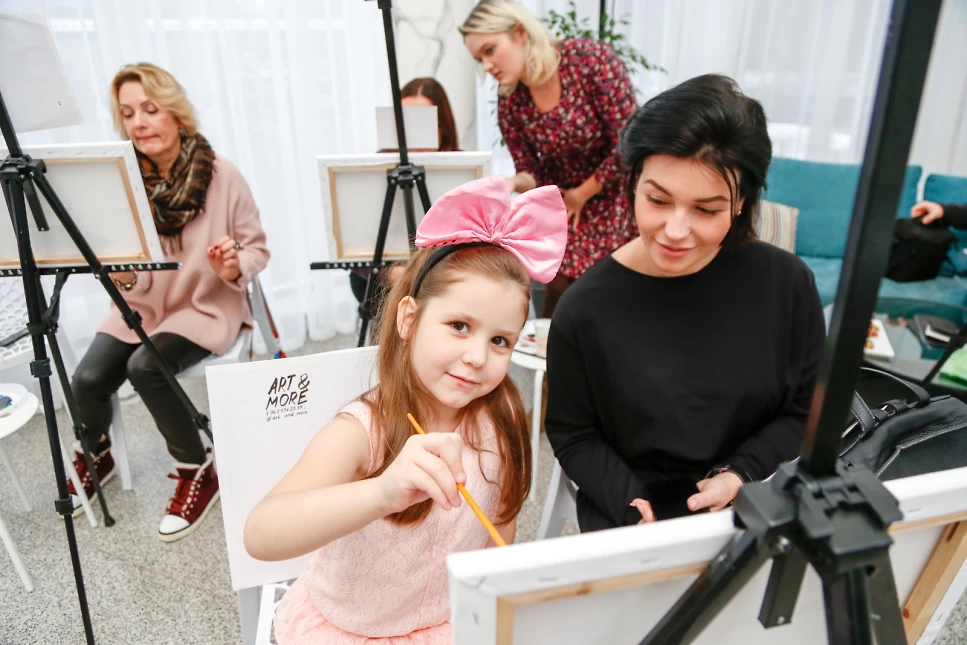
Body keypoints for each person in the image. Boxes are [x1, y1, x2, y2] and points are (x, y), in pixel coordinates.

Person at [245, 176, 567, 644]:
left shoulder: (503, 420)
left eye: (500, 340)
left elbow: (501, 524)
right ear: (409, 319)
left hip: (449, 623)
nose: (478, 356)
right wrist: (382, 492)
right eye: (459, 326)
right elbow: (261, 533)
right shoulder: (361, 431)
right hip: (351, 631)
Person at [545, 74, 826, 531]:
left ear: (740, 203)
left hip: (754, 500)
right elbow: (574, 434)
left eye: (706, 210)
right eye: (658, 200)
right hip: (633, 511)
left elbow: (803, 409)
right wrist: (631, 503)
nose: (675, 231)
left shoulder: (787, 284)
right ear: (634, 184)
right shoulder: (584, 308)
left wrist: (739, 473)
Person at [68, 62, 270, 542]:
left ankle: (197, 467)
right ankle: (97, 452)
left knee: (146, 367)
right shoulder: (122, 182)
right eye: (128, 114)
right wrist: (123, 275)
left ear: (177, 115)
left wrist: (231, 265)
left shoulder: (222, 175)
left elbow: (257, 249)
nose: (138, 123)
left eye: (150, 109)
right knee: (87, 379)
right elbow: (126, 272)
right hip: (142, 308)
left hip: (203, 307)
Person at [461, 0, 638, 317]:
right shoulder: (510, 101)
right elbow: (531, 172)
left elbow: (630, 141)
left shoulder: (590, 61)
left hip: (617, 198)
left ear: (520, 33)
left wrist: (582, 194)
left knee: (607, 298)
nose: (486, 66)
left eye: (490, 50)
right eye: (479, 59)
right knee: (558, 303)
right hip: (567, 208)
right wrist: (512, 182)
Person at [349, 77, 461, 309]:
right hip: (384, 280)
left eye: (423, 124)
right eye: (405, 124)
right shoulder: (377, 168)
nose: (413, 135)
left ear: (442, 126)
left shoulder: (464, 169)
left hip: (445, 276)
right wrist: (390, 274)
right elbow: (354, 247)